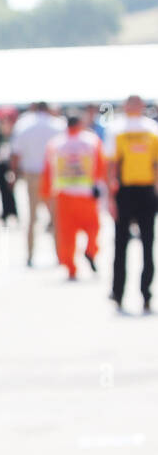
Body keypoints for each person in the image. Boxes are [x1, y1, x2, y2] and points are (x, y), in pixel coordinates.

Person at [104, 95, 158, 313]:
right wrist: (110, 197)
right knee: (123, 244)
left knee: (145, 243)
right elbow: (112, 166)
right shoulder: (118, 130)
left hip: (141, 191)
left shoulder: (150, 129)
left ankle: (143, 293)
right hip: (127, 191)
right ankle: (120, 292)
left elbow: (156, 166)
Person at [41, 112, 105, 282]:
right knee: (93, 228)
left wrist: (46, 194)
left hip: (64, 196)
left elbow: (47, 171)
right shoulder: (92, 141)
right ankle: (91, 251)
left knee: (67, 235)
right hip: (86, 195)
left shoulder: (55, 144)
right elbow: (101, 166)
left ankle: (71, 268)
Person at [10, 102, 66, 267]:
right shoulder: (58, 125)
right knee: (56, 217)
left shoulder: (24, 125)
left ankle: (29, 254)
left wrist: (14, 174)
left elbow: (16, 153)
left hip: (32, 174)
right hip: (53, 175)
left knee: (32, 217)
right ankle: (59, 254)